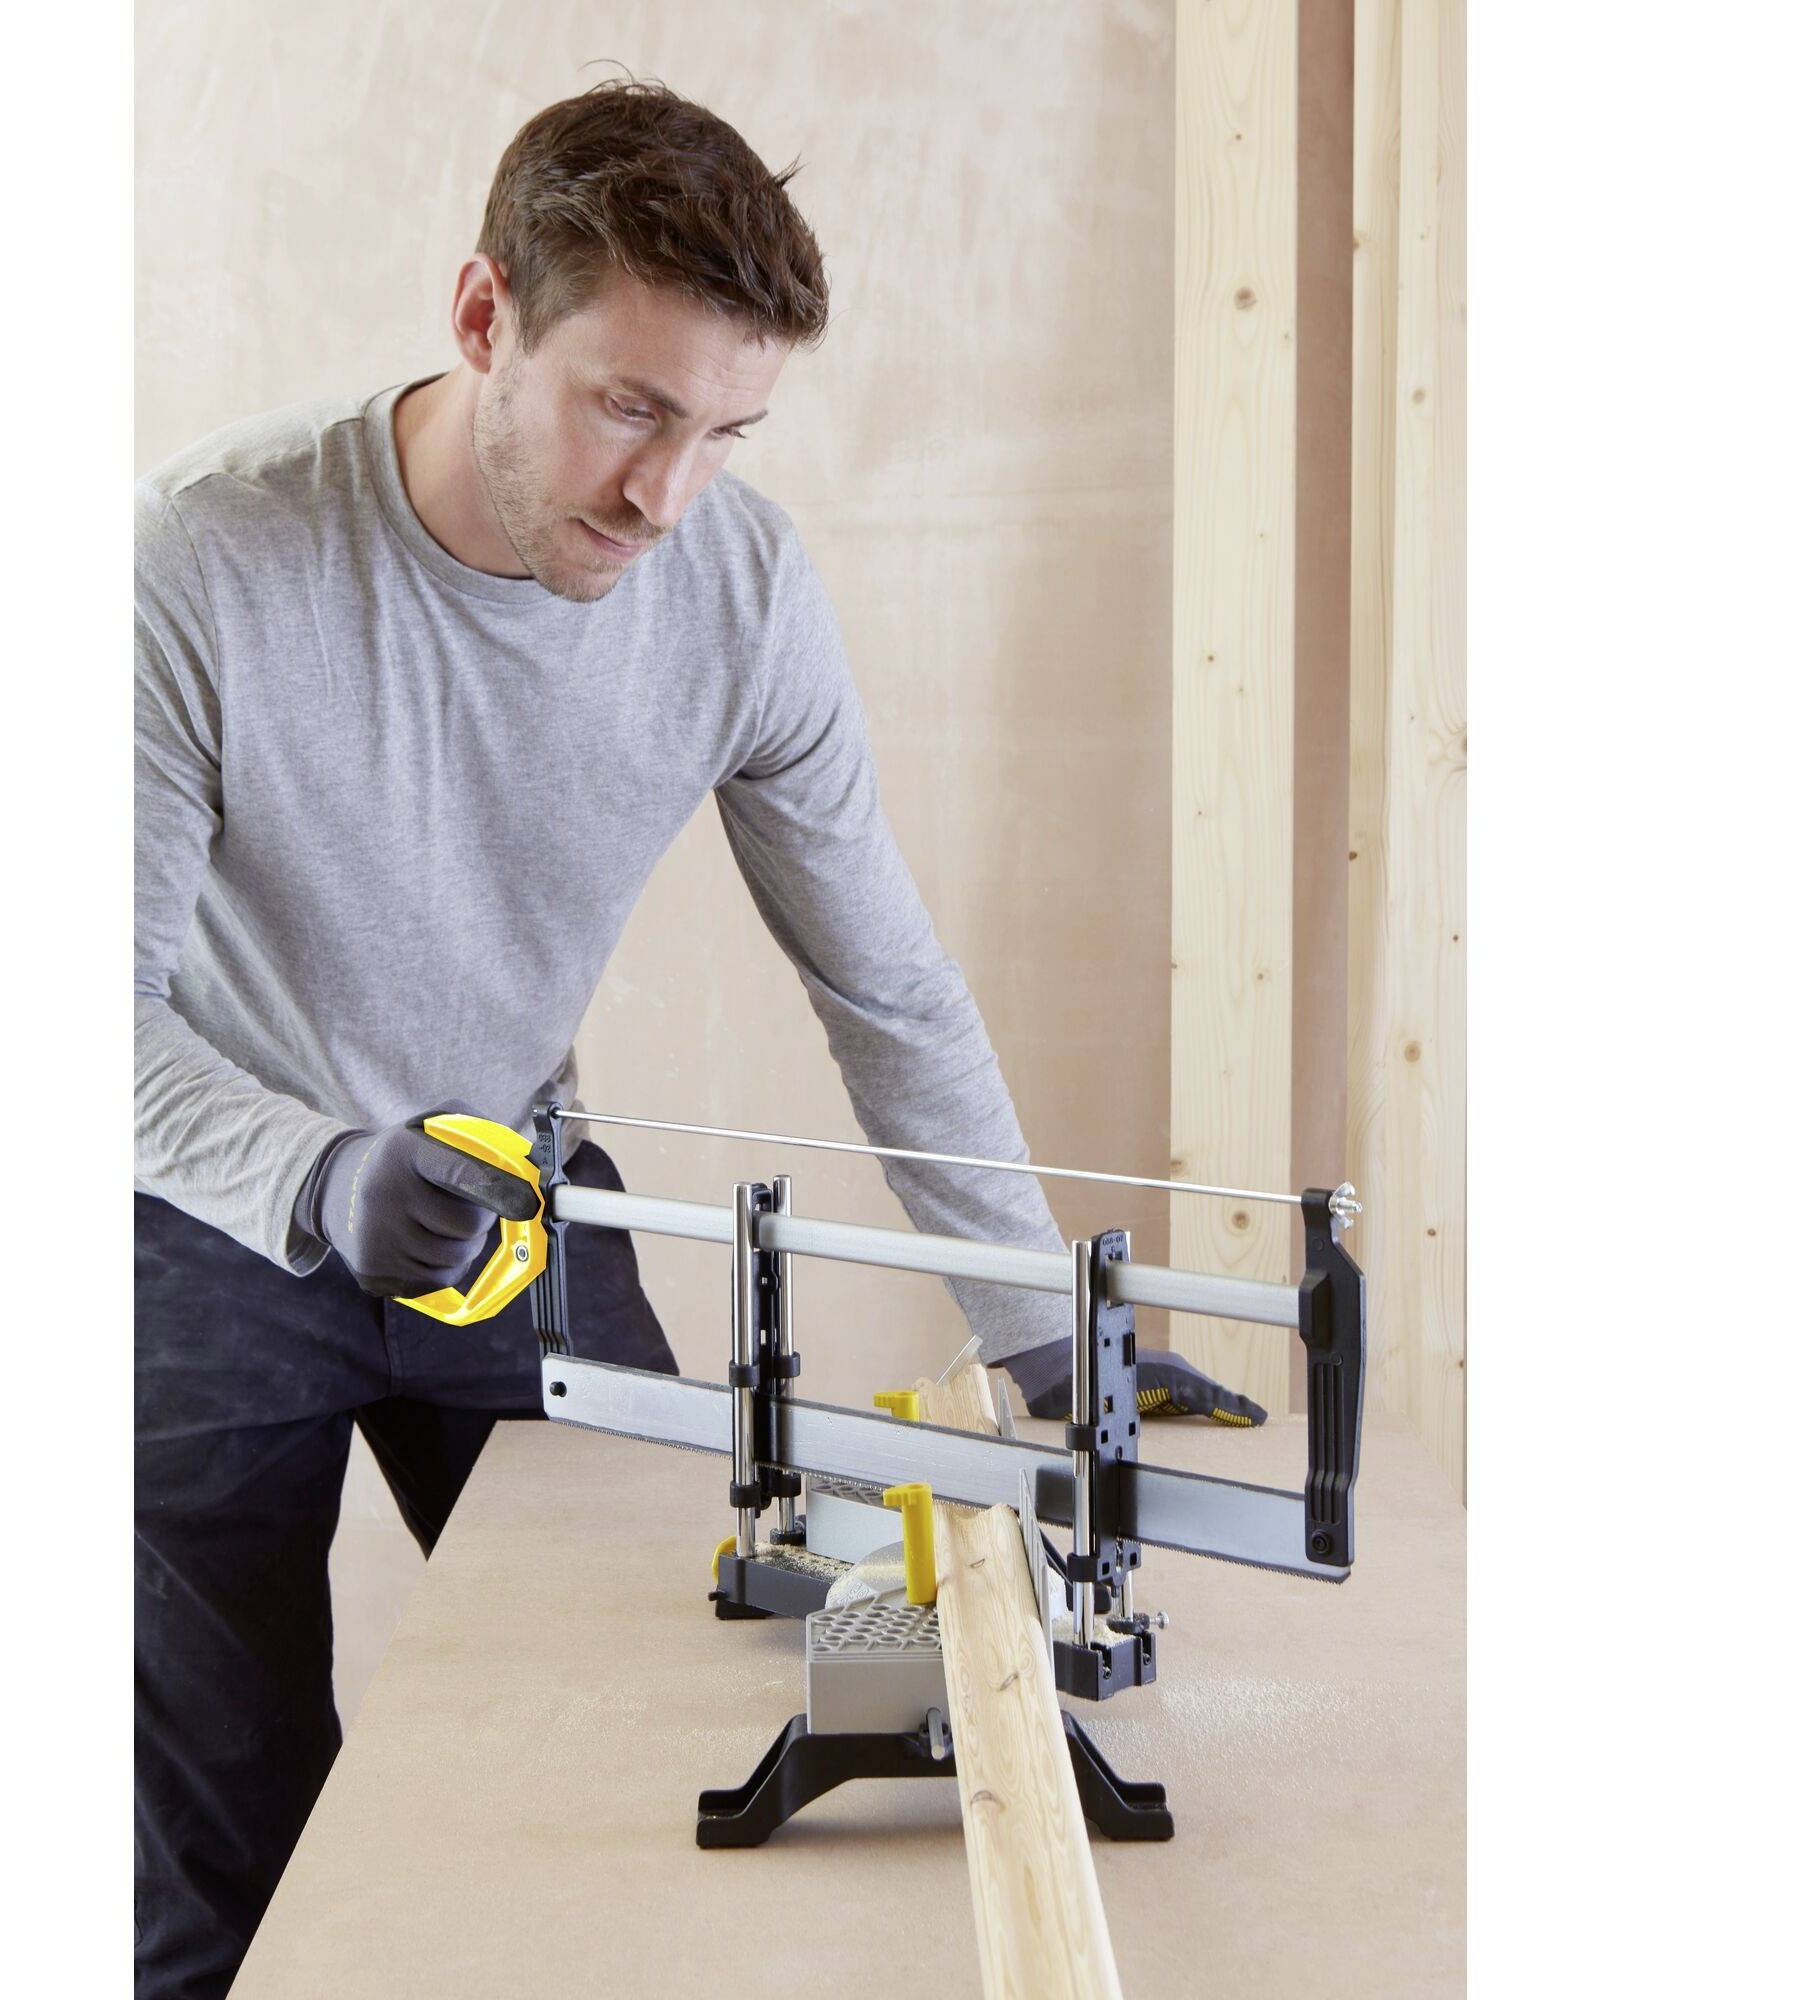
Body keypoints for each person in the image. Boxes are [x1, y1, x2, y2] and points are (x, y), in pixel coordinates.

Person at [135, 76, 1259, 1998]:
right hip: (216, 1209)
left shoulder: (734, 592)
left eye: (725, 430)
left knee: (660, 1701)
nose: (664, 493)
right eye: (629, 407)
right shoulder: (205, 561)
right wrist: (322, 1174)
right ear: (485, 317)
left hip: (507, 1187)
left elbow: (886, 987)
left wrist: (1032, 1324)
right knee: (231, 1825)